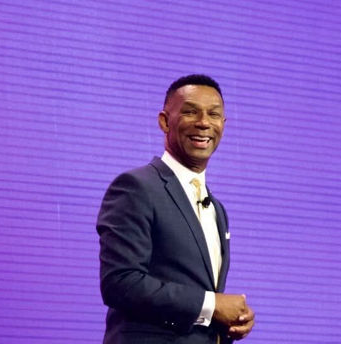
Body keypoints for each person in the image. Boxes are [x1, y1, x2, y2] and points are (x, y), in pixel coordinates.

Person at [98, 74, 256, 342]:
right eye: (190, 112)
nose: (204, 123)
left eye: (214, 114)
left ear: (223, 125)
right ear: (164, 121)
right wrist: (211, 305)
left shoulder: (217, 209)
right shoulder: (136, 187)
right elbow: (120, 282)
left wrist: (230, 321)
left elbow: (198, 296)